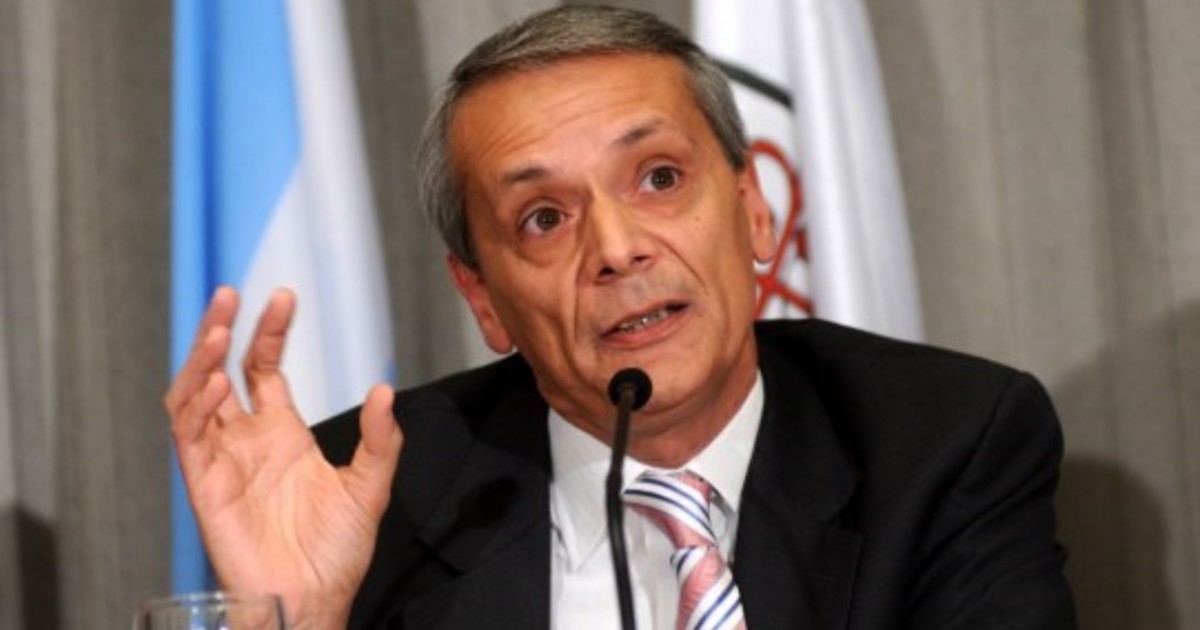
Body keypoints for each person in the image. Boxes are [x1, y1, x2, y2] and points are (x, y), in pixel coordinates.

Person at [164, 6, 1076, 629]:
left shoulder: (943, 446)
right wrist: (300, 624)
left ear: (755, 210)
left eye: (659, 178)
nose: (617, 248)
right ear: (483, 298)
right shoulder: (366, 502)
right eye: (543, 218)